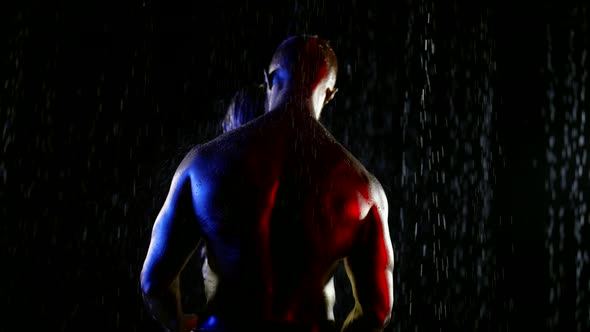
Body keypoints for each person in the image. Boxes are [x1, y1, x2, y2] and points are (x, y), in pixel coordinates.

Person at [140, 35, 394, 332]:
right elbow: (377, 312)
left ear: (269, 78)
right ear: (330, 94)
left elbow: (153, 283)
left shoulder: (203, 165)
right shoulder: (363, 188)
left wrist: (180, 324)